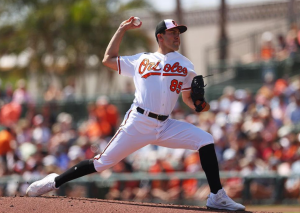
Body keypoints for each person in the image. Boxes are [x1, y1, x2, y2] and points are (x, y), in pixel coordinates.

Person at [26, 17, 245, 211]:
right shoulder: (141, 60)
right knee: (101, 163)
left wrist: (201, 104)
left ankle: (217, 196)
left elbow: (191, 101)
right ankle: (53, 182)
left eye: (178, 33)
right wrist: (121, 29)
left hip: (165, 125)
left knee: (205, 139)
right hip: (138, 122)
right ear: (160, 36)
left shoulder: (185, 64)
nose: (177, 37)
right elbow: (108, 59)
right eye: (172, 33)